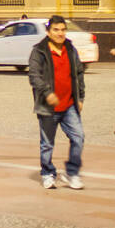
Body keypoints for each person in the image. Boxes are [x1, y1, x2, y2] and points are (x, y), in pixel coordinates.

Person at [29, 14, 86, 190]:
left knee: (78, 137)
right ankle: (47, 173)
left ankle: (72, 173)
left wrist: (81, 97)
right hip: (49, 107)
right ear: (48, 32)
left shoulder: (70, 49)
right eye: (56, 30)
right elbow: (34, 76)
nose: (60, 33)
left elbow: (78, 73)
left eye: (63, 30)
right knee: (47, 143)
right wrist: (47, 93)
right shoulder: (39, 51)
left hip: (69, 104)